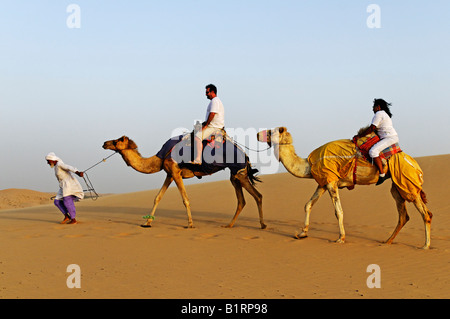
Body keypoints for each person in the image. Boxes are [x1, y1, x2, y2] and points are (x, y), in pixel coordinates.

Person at [356, 99, 399, 185]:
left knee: (373, 151)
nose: (372, 109)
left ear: (378, 107)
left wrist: (360, 136)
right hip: (389, 137)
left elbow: (372, 128)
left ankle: (382, 174)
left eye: (373, 107)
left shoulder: (379, 114)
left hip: (389, 138)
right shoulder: (384, 114)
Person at [45, 152, 84, 224]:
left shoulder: (59, 164)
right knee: (57, 201)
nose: (48, 163)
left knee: (67, 200)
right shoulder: (56, 166)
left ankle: (73, 219)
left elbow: (69, 167)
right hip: (63, 185)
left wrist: (78, 172)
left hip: (69, 184)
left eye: (48, 161)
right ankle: (67, 216)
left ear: (52, 160)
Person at [192, 84, 225, 164]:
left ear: (212, 92)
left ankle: (198, 159)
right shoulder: (215, 101)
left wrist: (206, 125)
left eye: (207, 92)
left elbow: (212, 114)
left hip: (214, 127)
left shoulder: (215, 101)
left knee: (197, 137)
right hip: (213, 125)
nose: (206, 94)